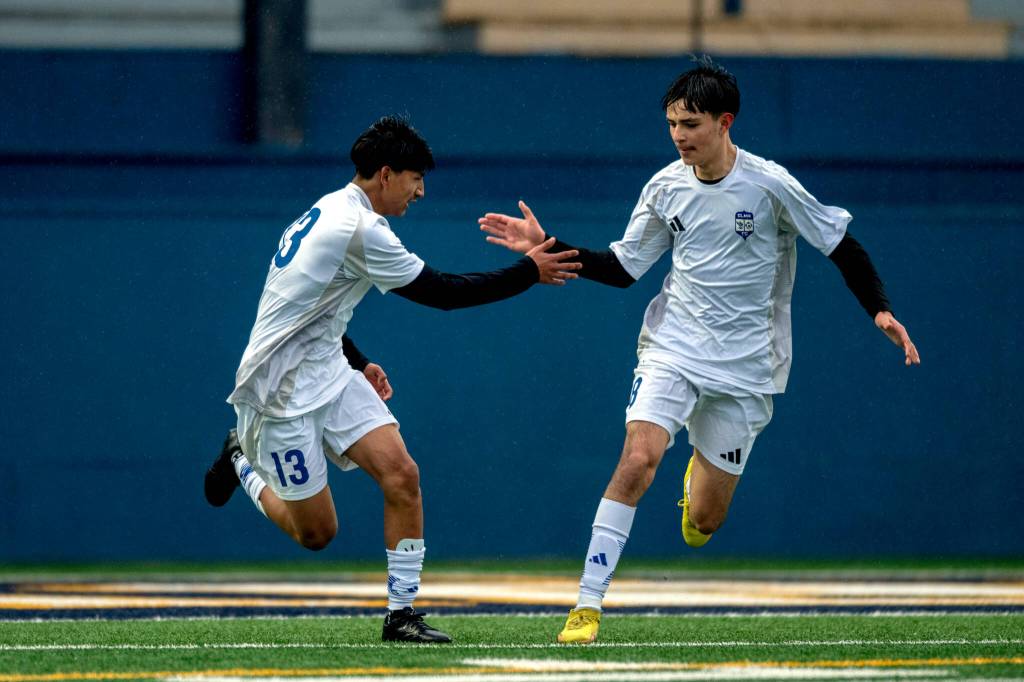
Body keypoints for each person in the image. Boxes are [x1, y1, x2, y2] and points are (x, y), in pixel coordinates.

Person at [478, 56, 920, 644]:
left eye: (690, 124)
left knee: (706, 521)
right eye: (671, 125)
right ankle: (586, 607)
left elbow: (842, 246)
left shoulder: (770, 185)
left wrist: (880, 309)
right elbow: (624, 268)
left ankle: (698, 485)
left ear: (725, 122)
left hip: (747, 368)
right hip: (674, 346)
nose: (679, 136)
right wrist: (549, 246)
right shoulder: (664, 187)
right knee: (637, 460)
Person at [203, 115, 580, 644]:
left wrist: (355, 361)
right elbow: (444, 292)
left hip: (328, 368)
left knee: (402, 474)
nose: (420, 191)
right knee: (317, 533)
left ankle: (401, 616)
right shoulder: (357, 226)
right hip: (279, 391)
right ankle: (239, 455)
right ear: (384, 174)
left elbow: (312, 308)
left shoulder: (332, 208)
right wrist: (528, 272)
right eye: (414, 178)